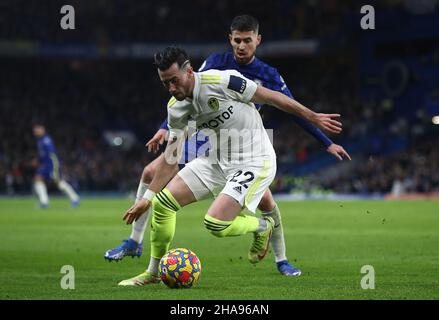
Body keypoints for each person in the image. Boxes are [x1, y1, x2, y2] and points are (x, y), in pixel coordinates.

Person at [104, 15, 351, 277]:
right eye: (237, 40)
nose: (242, 46)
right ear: (230, 40)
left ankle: (281, 258)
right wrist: (165, 129)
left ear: (258, 40)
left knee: (264, 201)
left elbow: (282, 103)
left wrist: (324, 138)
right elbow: (182, 107)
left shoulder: (260, 75)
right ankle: (137, 245)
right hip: (211, 140)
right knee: (152, 173)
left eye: (247, 40)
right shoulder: (213, 65)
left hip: (250, 142)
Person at [32, 123, 80, 208]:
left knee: (58, 182)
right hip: (46, 164)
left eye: (38, 129)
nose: (36, 131)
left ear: (43, 130)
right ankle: (44, 202)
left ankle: (75, 198)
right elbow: (43, 154)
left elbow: (52, 153)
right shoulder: (39, 140)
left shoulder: (46, 140)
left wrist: (52, 164)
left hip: (51, 163)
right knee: (38, 178)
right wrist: (39, 161)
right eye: (35, 130)